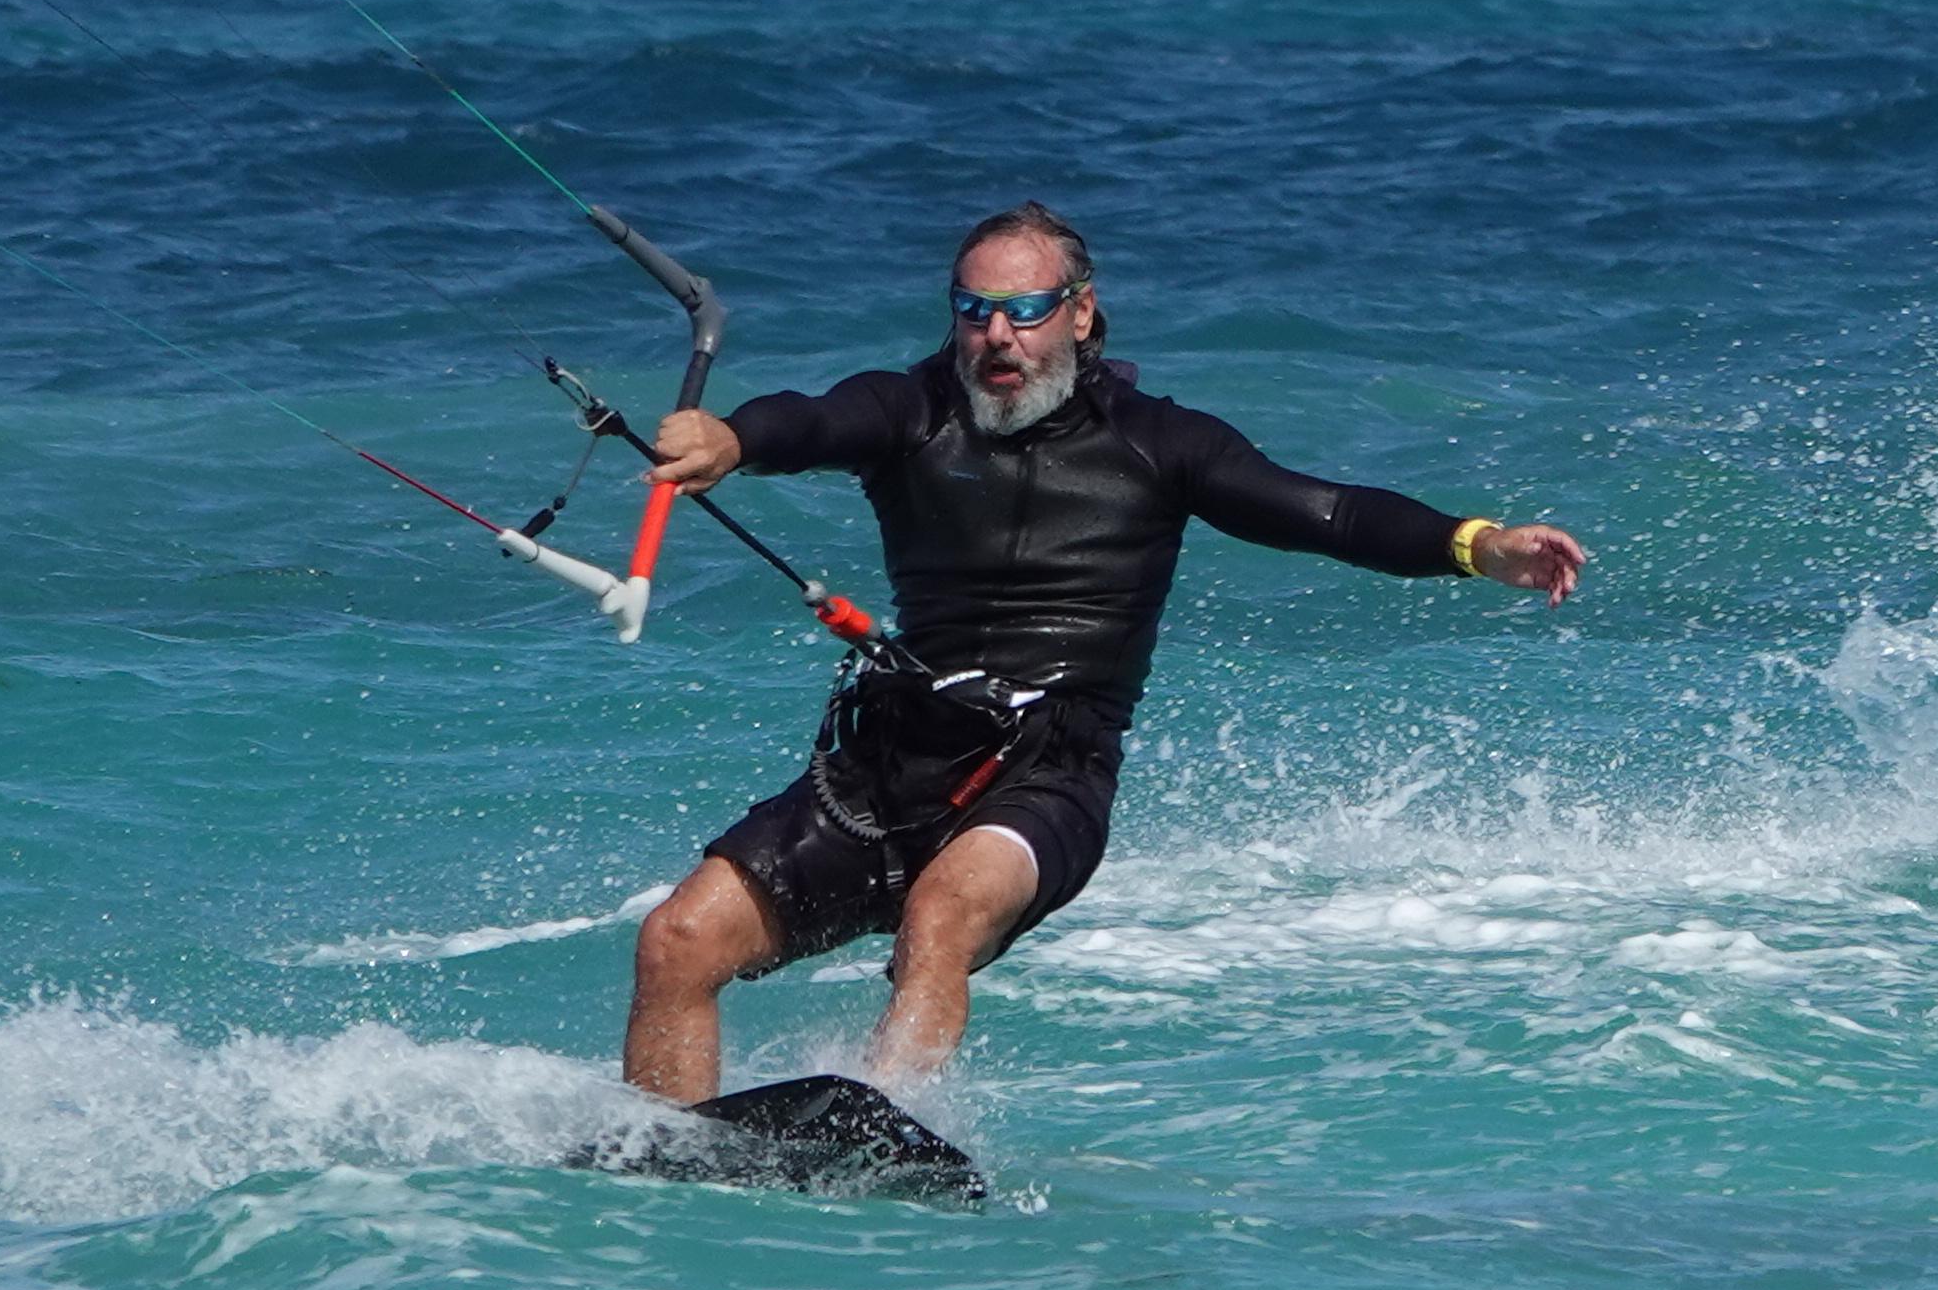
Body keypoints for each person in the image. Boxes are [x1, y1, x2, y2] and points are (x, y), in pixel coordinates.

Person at [619, 202, 1585, 1103]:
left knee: (943, 914)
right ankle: (663, 1160)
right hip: (889, 763)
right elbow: (814, 419)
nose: (998, 336)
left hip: (1048, 774)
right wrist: (731, 439)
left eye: (1026, 310)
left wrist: (1477, 545)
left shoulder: (1162, 444)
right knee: (678, 940)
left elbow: (1327, 513)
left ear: (1081, 315)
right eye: (975, 310)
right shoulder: (910, 410)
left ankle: (881, 1135)